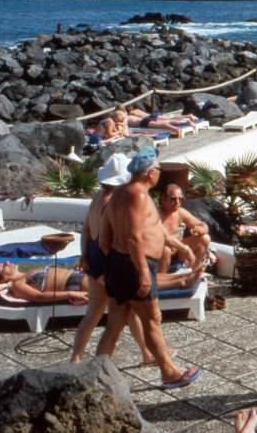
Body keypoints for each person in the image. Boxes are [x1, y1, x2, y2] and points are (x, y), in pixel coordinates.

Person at [71, 153, 197, 364]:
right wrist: (140, 271)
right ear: (151, 173)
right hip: (120, 262)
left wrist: (86, 256)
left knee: (114, 317)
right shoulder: (129, 197)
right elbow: (133, 237)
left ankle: (82, 360)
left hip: (101, 260)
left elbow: (91, 232)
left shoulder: (102, 197)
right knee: (144, 317)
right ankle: (162, 364)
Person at [158, 184, 211, 271]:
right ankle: (162, 279)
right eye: (173, 199)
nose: (178, 202)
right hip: (161, 254)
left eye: (180, 199)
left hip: (177, 253)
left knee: (205, 238)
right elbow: (166, 238)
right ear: (163, 199)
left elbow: (203, 225)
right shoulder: (156, 214)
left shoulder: (180, 212)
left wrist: (200, 229)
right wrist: (186, 249)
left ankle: (194, 272)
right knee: (166, 250)